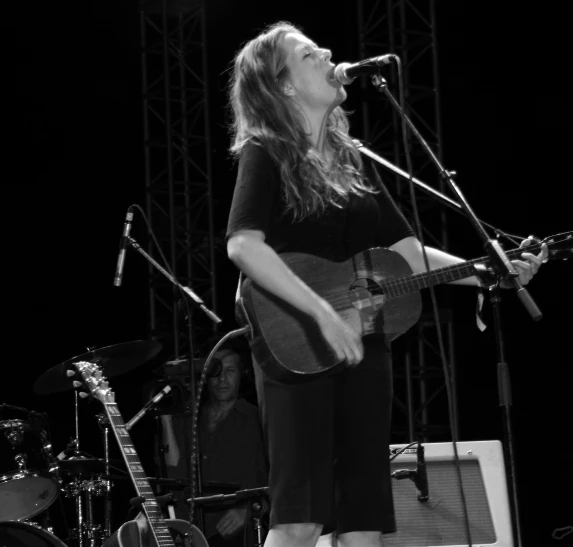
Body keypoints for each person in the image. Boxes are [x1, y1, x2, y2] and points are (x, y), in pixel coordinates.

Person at [224, 22, 547, 547]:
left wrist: (488, 271)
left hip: (365, 344)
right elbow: (243, 245)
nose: (328, 52)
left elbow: (407, 253)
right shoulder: (267, 151)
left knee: (363, 520)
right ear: (283, 86)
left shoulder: (349, 157)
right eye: (310, 55)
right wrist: (321, 313)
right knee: (300, 519)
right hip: (298, 345)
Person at [159, 338, 268, 547]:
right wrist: (166, 417)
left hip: (236, 535)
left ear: (242, 375)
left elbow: (278, 482)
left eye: (230, 370)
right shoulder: (187, 419)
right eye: (215, 371)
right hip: (185, 533)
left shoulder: (258, 420)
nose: (222, 378)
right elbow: (172, 473)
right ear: (205, 378)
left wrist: (247, 509)